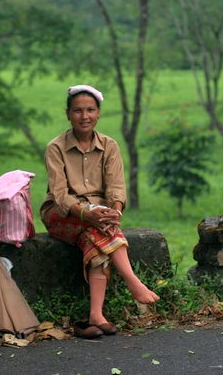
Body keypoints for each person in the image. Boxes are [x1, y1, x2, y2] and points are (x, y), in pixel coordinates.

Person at [40, 85, 159, 339]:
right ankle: (133, 282)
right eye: (78, 111)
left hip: (98, 214)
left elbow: (116, 188)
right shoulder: (56, 148)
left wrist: (114, 213)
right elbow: (60, 197)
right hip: (62, 213)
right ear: (68, 114)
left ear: (99, 113)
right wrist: (86, 214)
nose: (85, 116)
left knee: (94, 237)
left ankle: (96, 315)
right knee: (95, 228)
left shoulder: (109, 146)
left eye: (90, 110)